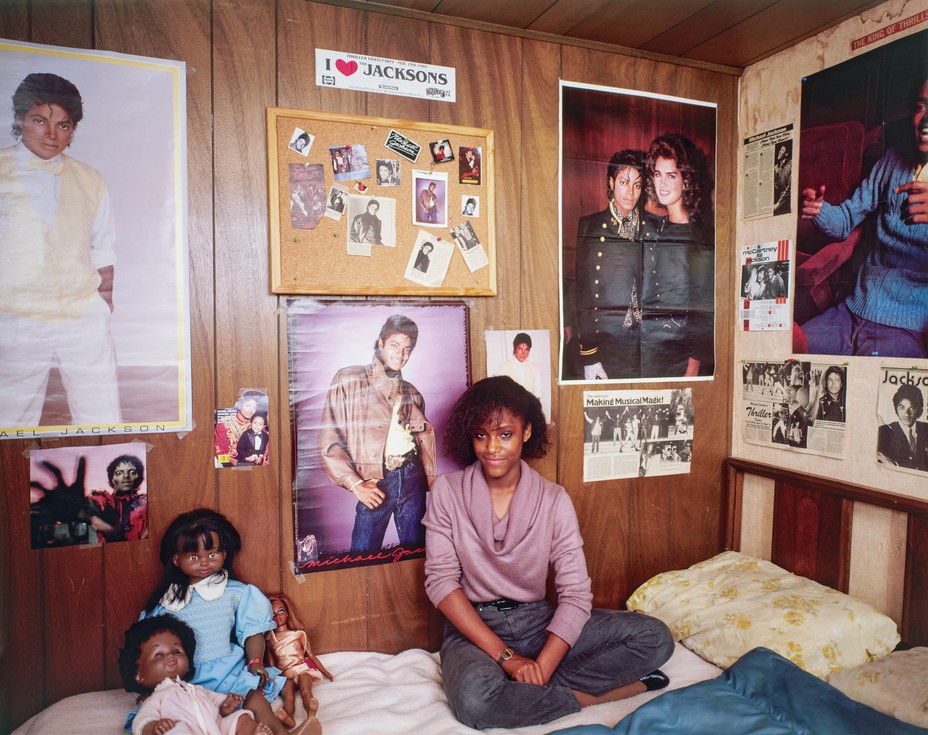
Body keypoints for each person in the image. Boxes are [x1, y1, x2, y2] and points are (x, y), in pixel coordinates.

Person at [423, 376, 673, 730]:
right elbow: (441, 584)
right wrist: (509, 660)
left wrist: (541, 668)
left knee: (655, 638)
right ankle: (600, 695)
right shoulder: (447, 492)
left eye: (505, 434)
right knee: (475, 704)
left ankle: (525, 693)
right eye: (481, 435)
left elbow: (575, 594)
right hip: (473, 629)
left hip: (537, 622)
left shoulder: (554, 500)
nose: (491, 447)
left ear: (526, 432)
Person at [0, 72, 121, 429]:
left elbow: (104, 247)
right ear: (20, 118)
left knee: (101, 413)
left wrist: (102, 306)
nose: (52, 135)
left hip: (80, 312)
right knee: (9, 418)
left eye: (64, 125)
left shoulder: (90, 178)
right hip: (15, 315)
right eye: (40, 121)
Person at [141, 509, 317, 735]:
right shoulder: (165, 604)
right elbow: (146, 647)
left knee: (256, 701)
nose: (204, 562)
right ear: (176, 559)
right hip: (183, 681)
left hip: (228, 675)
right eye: (194, 557)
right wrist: (148, 684)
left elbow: (252, 631)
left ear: (224, 553)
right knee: (181, 719)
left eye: (212, 554)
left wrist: (255, 660)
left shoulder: (235, 592)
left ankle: (282, 733)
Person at [799, 75, 928, 358]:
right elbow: (846, 218)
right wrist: (820, 209)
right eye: (921, 107)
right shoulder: (892, 161)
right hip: (852, 310)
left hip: (907, 327)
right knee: (790, 354)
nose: (926, 121)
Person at [319, 314, 437, 552]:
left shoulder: (411, 393)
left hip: (412, 477)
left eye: (407, 349)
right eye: (394, 345)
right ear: (380, 343)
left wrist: (432, 482)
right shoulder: (348, 379)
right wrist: (355, 485)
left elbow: (420, 440)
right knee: (361, 559)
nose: (401, 355)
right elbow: (330, 443)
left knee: (417, 557)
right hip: (377, 481)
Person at [118, 615, 275, 735]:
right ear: (139, 675)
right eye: (159, 655)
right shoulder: (156, 699)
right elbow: (141, 721)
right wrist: (153, 727)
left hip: (215, 728)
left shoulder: (195, 689)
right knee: (176, 730)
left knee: (241, 718)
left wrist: (226, 705)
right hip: (186, 730)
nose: (171, 657)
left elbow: (215, 700)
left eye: (177, 651)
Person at [640, 133, 715, 378]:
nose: (662, 183)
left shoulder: (698, 237)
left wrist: (692, 370)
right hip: (653, 351)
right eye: (658, 174)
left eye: (671, 175)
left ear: (686, 181)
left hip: (681, 361)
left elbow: (704, 314)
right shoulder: (658, 228)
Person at [567, 149, 646, 380]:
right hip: (606, 342)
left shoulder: (651, 228)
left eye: (638, 185)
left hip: (644, 344)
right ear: (611, 182)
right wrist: (590, 356)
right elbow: (583, 293)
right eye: (624, 182)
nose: (631, 192)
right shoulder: (589, 227)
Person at [265, 595, 334, 729]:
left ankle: (311, 712)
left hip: (301, 669)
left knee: (306, 691)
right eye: (272, 614)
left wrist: (326, 673)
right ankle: (288, 717)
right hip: (285, 674)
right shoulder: (270, 638)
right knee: (289, 698)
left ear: (287, 612)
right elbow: (272, 664)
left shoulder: (298, 634)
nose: (278, 617)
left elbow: (311, 655)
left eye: (281, 611)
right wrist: (268, 650)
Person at [88, 453, 148, 543]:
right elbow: (94, 504)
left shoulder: (146, 501)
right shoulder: (106, 500)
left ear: (139, 477)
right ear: (112, 479)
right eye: (119, 473)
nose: (126, 476)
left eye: (132, 472)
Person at [878, 383, 928, 470]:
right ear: (896, 408)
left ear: (919, 410)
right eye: (902, 407)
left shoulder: (926, 429)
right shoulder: (885, 432)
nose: (906, 414)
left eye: (912, 409)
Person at [779, 361, 821, 450]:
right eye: (797, 370)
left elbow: (808, 413)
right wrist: (817, 388)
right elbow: (810, 419)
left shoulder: (791, 396)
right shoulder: (788, 396)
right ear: (789, 377)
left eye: (801, 370)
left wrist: (815, 389)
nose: (802, 372)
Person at [215, 393, 263, 467]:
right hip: (228, 464)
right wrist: (234, 462)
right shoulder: (224, 423)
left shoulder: (255, 426)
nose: (251, 410)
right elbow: (217, 453)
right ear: (240, 406)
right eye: (248, 406)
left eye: (254, 407)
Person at [495, 332, 541, 400]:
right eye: (520, 349)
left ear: (529, 351)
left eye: (526, 349)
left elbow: (537, 395)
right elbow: (500, 395)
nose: (523, 353)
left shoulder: (534, 368)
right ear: (514, 349)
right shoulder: (504, 368)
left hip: (529, 408)